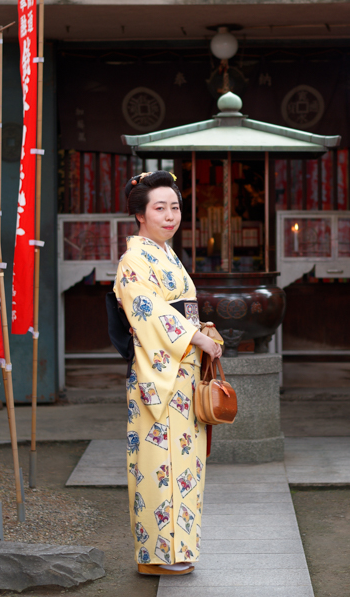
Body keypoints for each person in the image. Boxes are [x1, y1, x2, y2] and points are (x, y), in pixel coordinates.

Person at [114, 171, 223, 576]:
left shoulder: (166, 255)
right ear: (140, 215)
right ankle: (158, 555)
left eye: (174, 206)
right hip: (158, 375)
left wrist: (201, 334)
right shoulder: (134, 261)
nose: (169, 215)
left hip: (183, 375)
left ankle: (180, 550)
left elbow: (178, 310)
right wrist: (194, 336)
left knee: (187, 468)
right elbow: (151, 313)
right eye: (159, 208)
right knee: (160, 463)